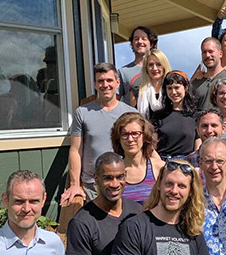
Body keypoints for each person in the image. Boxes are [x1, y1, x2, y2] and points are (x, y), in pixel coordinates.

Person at [61, 62, 134, 205]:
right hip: (91, 186)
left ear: (117, 83)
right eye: (100, 81)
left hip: (122, 184)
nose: (105, 85)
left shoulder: (130, 114)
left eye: (109, 80)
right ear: (95, 84)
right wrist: (75, 184)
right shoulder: (82, 112)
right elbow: (75, 150)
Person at [111, 112, 165, 204]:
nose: (130, 139)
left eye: (135, 134)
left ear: (144, 136)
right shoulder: (113, 171)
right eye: (125, 134)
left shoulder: (159, 168)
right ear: (118, 139)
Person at [191, 38, 226, 112]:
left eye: (211, 51)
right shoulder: (195, 84)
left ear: (220, 54)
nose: (208, 55)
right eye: (204, 52)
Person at [153, 71, 199, 159]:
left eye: (177, 87)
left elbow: (198, 142)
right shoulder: (158, 115)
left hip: (187, 163)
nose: (173, 92)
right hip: (163, 162)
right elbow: (152, 145)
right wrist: (159, 163)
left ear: (186, 88)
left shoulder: (195, 115)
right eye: (169, 88)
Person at [118, 26, 158, 106]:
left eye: (144, 38)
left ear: (151, 44)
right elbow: (116, 101)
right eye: (136, 39)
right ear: (132, 44)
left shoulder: (159, 69)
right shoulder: (123, 72)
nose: (140, 41)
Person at [136, 49, 172, 119]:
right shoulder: (137, 91)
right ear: (146, 68)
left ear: (164, 66)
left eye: (158, 64)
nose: (154, 68)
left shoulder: (171, 89)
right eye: (150, 65)